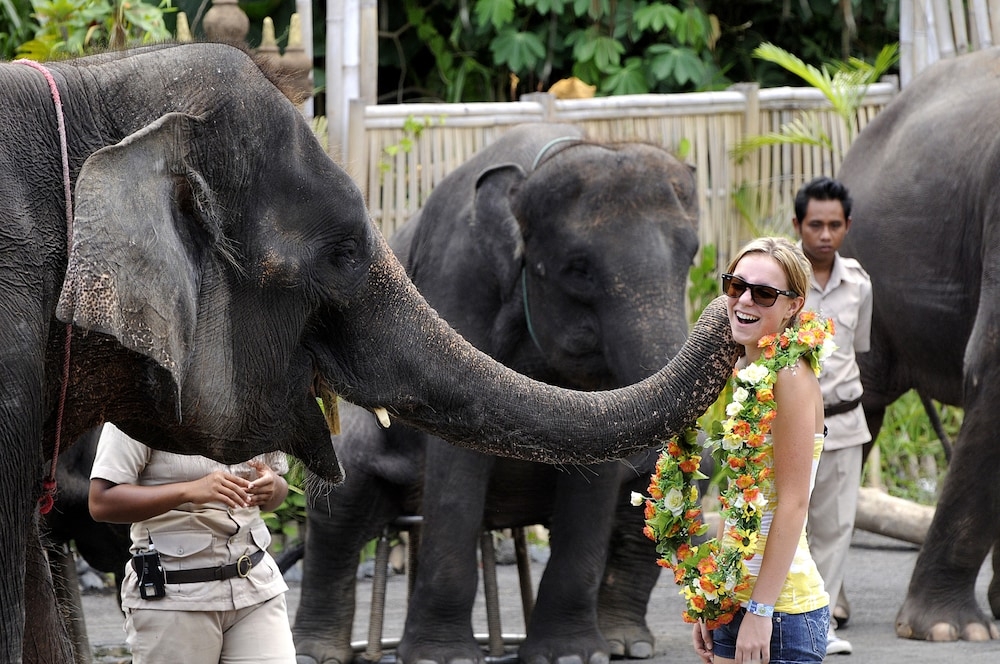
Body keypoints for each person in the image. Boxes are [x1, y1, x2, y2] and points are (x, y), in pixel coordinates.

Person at [692, 237, 830, 664]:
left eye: (765, 293)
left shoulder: (789, 376)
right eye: (736, 286)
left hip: (781, 612)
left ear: (793, 305)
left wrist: (760, 611)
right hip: (737, 601)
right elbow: (737, 498)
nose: (745, 299)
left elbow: (791, 505)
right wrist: (712, 597)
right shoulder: (746, 369)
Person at [88, 423, 296, 663]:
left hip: (256, 590)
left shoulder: (262, 402)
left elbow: (276, 491)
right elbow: (101, 502)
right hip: (175, 599)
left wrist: (273, 487)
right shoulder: (140, 405)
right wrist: (189, 491)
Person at [792, 176, 873, 656]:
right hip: (787, 424)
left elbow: (856, 349)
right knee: (782, 520)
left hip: (843, 422)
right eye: (815, 225)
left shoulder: (859, 284)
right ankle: (776, 616)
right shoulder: (780, 283)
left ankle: (817, 626)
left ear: (847, 226)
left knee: (835, 528)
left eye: (834, 225)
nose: (825, 235)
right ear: (798, 224)